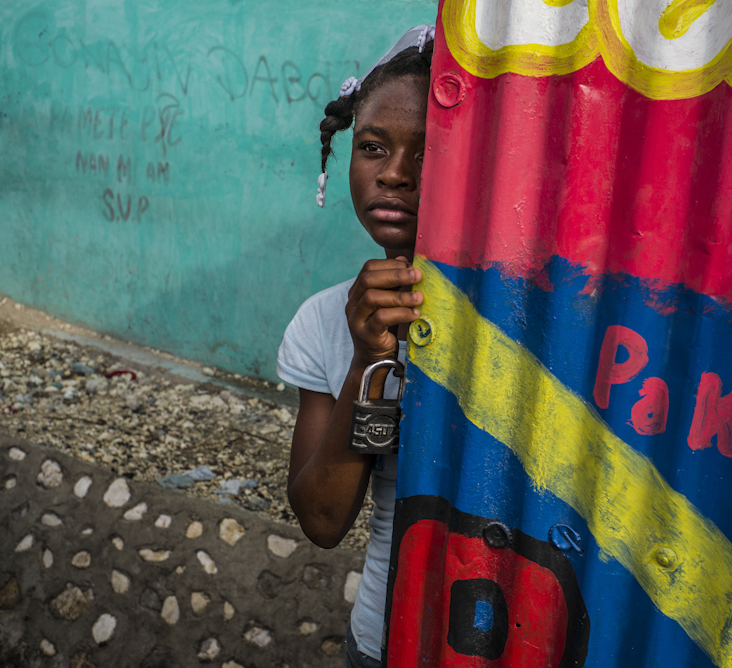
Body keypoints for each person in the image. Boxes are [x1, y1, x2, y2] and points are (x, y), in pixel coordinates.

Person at [276, 26, 434, 668]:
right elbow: (321, 518)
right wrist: (371, 359)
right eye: (373, 147)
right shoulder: (326, 320)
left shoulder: (536, 317)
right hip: (384, 643)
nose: (394, 174)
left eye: (428, 152)